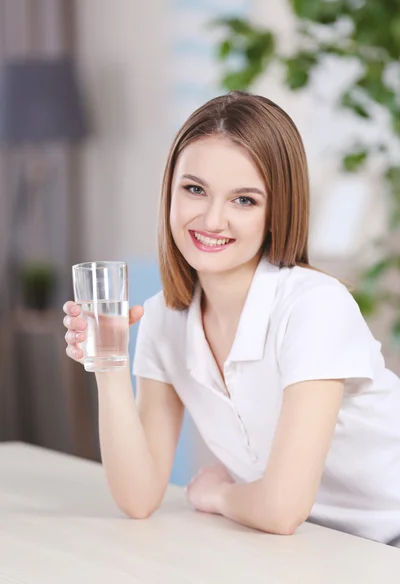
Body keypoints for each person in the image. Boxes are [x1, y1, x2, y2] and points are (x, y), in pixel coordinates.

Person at [63, 91, 400, 547]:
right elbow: (139, 496)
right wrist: (108, 364)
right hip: (321, 550)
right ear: (170, 191)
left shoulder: (314, 307)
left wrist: (220, 494)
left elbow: (282, 510)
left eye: (244, 200)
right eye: (195, 189)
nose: (212, 219)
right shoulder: (165, 318)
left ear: (276, 212)